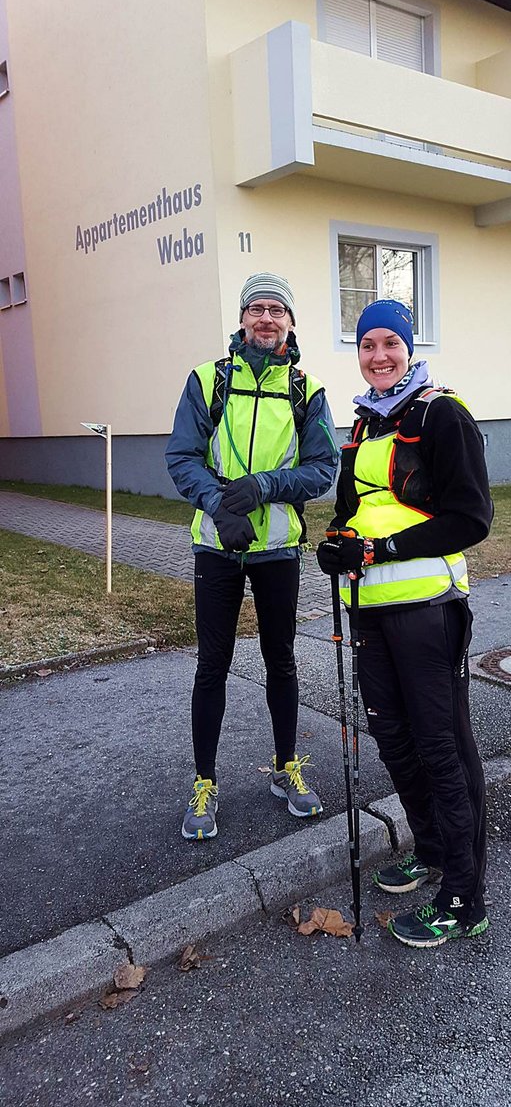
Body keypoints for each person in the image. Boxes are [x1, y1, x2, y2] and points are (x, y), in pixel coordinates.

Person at [316, 298, 493, 948]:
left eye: (390, 343)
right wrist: (334, 546)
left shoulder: (441, 413)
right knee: (392, 738)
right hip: (369, 612)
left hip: (428, 613)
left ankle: (463, 898)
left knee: (442, 747)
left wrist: (378, 552)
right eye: (367, 345)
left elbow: (471, 518)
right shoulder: (362, 425)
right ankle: (433, 848)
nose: (379, 356)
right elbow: (349, 516)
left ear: (409, 347)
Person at [166, 272, 338, 840]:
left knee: (281, 660)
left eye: (276, 310)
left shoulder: (305, 389)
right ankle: (204, 782)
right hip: (217, 546)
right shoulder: (208, 380)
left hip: (277, 549)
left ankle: (286, 768)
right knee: (211, 664)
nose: (266, 318)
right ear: (241, 318)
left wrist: (263, 487)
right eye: (256, 309)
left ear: (290, 322)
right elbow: (182, 456)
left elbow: (323, 468)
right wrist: (221, 505)